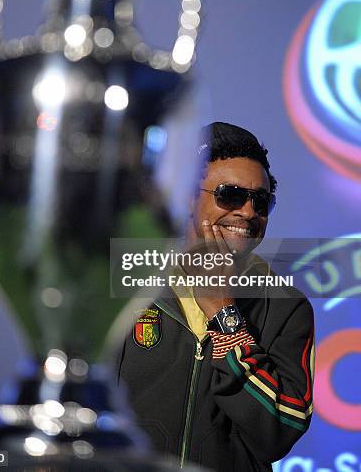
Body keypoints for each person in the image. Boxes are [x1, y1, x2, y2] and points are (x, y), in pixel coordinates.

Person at [115, 122, 314, 472]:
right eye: (230, 194)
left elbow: (283, 427)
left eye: (261, 201)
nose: (249, 212)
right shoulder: (126, 284)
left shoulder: (287, 307)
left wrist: (224, 314)